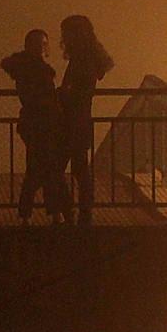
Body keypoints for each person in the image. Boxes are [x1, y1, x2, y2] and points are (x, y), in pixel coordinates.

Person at [1, 29, 69, 224]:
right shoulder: (33, 69)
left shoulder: (26, 67)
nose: (41, 47)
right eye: (38, 44)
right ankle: (52, 214)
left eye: (43, 44)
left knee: (40, 169)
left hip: (37, 123)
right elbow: (36, 97)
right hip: (40, 123)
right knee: (47, 169)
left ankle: (29, 215)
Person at [58, 14, 114, 225]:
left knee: (56, 169)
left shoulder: (82, 59)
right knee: (80, 169)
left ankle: (70, 212)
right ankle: (82, 212)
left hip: (73, 120)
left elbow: (79, 90)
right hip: (81, 120)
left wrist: (61, 94)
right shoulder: (87, 57)